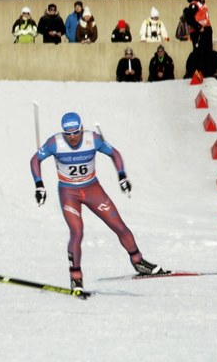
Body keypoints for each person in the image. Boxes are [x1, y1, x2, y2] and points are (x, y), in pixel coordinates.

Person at [31, 112, 165, 292]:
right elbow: (35, 160)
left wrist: (122, 177)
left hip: (92, 189)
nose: (72, 137)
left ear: (81, 128)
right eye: (67, 133)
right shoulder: (55, 143)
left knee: (118, 225)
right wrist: (39, 185)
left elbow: (114, 153)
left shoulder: (92, 139)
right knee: (77, 232)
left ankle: (138, 261)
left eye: (75, 132)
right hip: (68, 192)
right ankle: (76, 277)